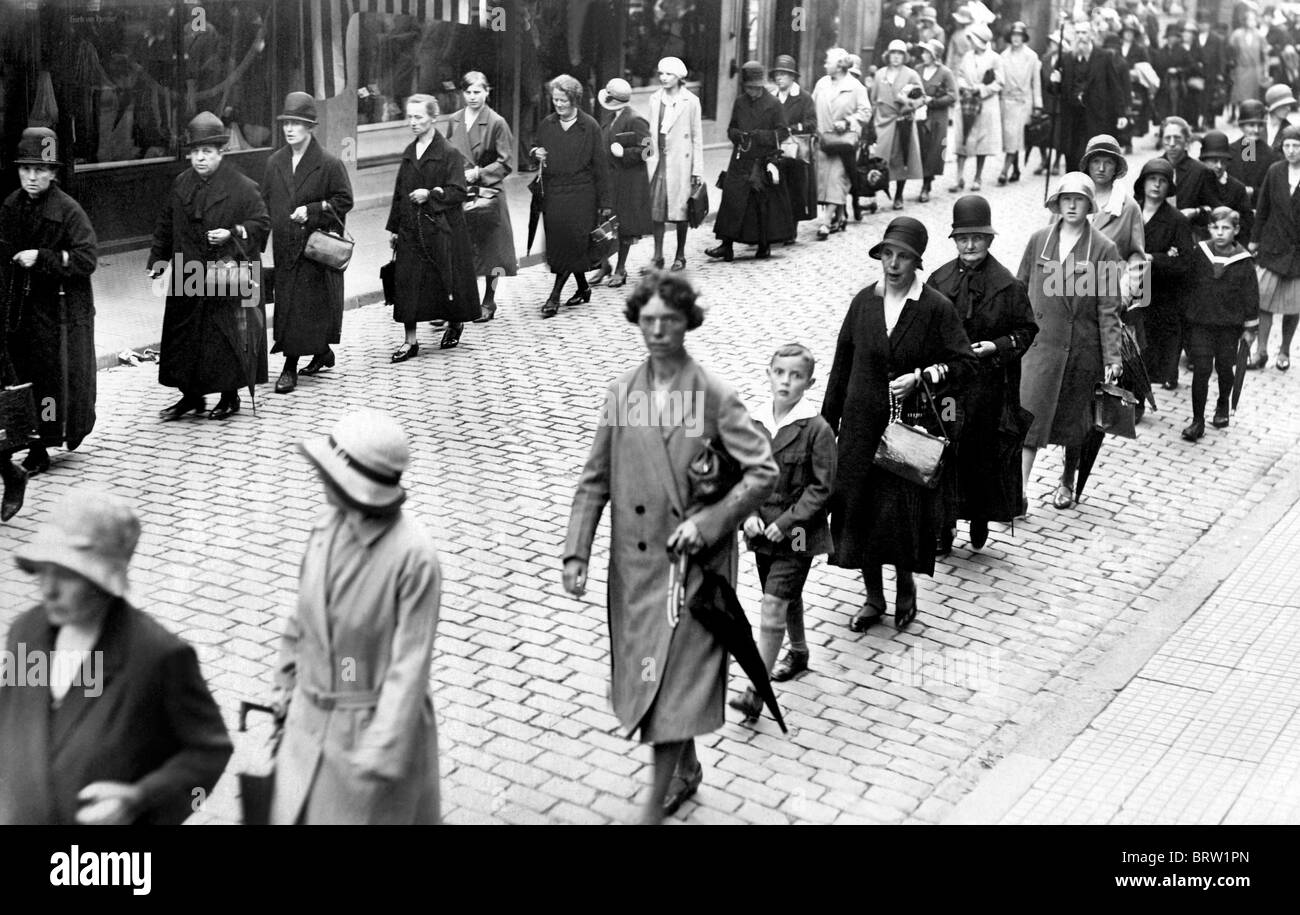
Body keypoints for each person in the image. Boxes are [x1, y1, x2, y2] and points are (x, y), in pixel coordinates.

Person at [562, 271, 777, 824]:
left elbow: (762, 472)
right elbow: (595, 478)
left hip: (692, 569)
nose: (658, 331)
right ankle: (688, 767)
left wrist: (710, 522)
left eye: (670, 321)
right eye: (649, 320)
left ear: (687, 323)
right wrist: (576, 551)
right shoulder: (623, 393)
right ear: (637, 320)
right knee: (654, 677)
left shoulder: (712, 394)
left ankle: (652, 808)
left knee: (673, 682)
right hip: (636, 570)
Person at [0, 489, 232, 824]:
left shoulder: (156, 657)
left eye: (67, 574)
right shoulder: (28, 632)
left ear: (103, 579)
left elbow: (209, 752)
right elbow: (15, 712)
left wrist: (140, 800)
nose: (48, 589)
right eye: (43, 570)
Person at [271, 410, 442, 824]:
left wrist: (381, 749)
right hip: (307, 728)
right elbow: (302, 618)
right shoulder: (325, 528)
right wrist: (286, 685)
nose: (320, 478)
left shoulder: (414, 557)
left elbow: (410, 664)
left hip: (368, 743)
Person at [821, 217, 975, 630]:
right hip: (860, 428)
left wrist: (923, 376)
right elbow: (841, 365)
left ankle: (906, 589)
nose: (892, 264)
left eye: (902, 256)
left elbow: (965, 364)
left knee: (899, 516)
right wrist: (826, 426)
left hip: (906, 432)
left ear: (916, 261)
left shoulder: (935, 308)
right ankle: (873, 598)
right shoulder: (864, 302)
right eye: (886, 254)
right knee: (859, 512)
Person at [929, 196, 1037, 552]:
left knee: (981, 455)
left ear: (989, 239)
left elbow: (1026, 330)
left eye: (977, 238)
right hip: (949, 388)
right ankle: (943, 525)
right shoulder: (939, 280)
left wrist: (996, 346)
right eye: (963, 238)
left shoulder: (1008, 286)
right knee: (945, 450)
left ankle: (979, 516)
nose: (970, 245)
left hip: (990, 388)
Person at [733, 343, 836, 713]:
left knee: (773, 604)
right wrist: (748, 514)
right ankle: (799, 651)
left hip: (799, 534)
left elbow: (822, 488)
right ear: (769, 375)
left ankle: (755, 692)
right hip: (761, 533)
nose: (786, 382)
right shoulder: (755, 424)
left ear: (809, 383)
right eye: (779, 373)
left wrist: (788, 522)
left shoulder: (817, 430)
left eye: (796, 376)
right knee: (783, 595)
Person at [149, 111, 270, 422]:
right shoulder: (181, 184)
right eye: (195, 152)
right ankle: (192, 397)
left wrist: (233, 232)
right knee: (185, 338)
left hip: (225, 273)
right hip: (188, 272)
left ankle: (230, 396)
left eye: (207, 151)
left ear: (221, 152)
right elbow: (166, 224)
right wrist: (158, 261)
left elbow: (261, 223)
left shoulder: (243, 186)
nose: (200, 158)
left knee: (224, 337)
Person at [1018, 172, 1123, 511]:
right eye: (1067, 199)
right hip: (1040, 346)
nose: (1073, 206)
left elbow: (1109, 307)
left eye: (1079, 200)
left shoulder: (1103, 249)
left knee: (1074, 424)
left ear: (1090, 205)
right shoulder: (1039, 240)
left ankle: (1067, 480)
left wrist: (1112, 357)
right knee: (1029, 420)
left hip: (1080, 349)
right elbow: (1020, 290)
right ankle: (1018, 493)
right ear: (1058, 204)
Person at [0, 127, 97, 486]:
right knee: (22, 377)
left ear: (53, 173)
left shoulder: (69, 211)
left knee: (51, 382)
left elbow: (87, 258)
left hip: (61, 315)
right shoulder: (10, 207)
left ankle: (43, 442)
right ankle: (26, 437)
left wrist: (41, 257)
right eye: (26, 169)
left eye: (40, 170)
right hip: (22, 311)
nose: (32, 177)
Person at [260, 92, 354, 395]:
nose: (289, 129)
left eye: (296, 123)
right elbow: (263, 204)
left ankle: (289, 367)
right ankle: (322, 351)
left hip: (313, 249)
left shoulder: (328, 163)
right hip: (285, 247)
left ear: (310, 127)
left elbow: (344, 200)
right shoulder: (275, 162)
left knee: (302, 307)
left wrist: (313, 210)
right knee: (290, 305)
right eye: (286, 123)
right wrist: (253, 243)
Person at [387, 94, 480, 356]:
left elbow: (459, 191)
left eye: (419, 117)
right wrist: (394, 228)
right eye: (410, 117)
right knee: (407, 282)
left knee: (446, 281)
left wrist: (430, 194)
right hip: (411, 229)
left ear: (433, 118)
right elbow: (399, 193)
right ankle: (410, 341)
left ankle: (455, 322)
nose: (413, 122)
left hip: (442, 229)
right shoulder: (409, 152)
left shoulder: (449, 153)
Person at [441, 70, 519, 323]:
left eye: (478, 91)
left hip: (487, 194)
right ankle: (455, 302)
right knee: (458, 249)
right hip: (460, 192)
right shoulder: (454, 120)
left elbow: (506, 162)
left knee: (491, 251)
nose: (473, 97)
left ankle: (489, 300)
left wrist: (479, 173)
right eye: (468, 92)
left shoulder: (496, 122)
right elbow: (446, 153)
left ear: (487, 92)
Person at [531, 75, 613, 317]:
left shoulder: (590, 126)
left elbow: (601, 166)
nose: (558, 104)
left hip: (582, 194)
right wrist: (536, 153)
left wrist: (605, 203)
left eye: (563, 100)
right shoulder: (547, 124)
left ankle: (554, 296)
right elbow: (535, 147)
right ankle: (583, 287)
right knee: (560, 243)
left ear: (574, 100)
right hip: (554, 193)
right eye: (555, 100)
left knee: (573, 242)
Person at [1181, 208, 1259, 441]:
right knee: (1201, 369)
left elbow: (1251, 296)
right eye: (1215, 227)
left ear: (1236, 230)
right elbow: (1188, 283)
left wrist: (1250, 329)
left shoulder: (1243, 261)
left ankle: (1223, 402)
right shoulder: (1200, 252)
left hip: (1229, 326)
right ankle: (1197, 420)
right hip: (1202, 322)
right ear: (1209, 229)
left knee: (1225, 367)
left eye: (1226, 228)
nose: (1220, 232)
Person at [708, 62, 795, 261]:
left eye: (755, 88)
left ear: (761, 85)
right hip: (740, 159)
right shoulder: (740, 102)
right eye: (749, 88)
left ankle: (764, 244)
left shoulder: (774, 104)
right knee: (731, 198)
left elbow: (783, 131)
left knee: (761, 204)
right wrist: (737, 135)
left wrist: (760, 136)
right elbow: (731, 128)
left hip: (762, 160)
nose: (752, 92)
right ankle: (726, 244)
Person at [1136, 157, 1195, 386]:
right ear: (1143, 183)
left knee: (1159, 339)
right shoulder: (1130, 212)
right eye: (1152, 179)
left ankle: (1164, 376)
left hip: (1162, 292)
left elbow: (1185, 262)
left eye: (1162, 181)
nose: (1157, 185)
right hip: (1131, 286)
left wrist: (1155, 258)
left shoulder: (1176, 220)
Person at [1247, 124, 1300, 370]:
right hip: (1273, 244)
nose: (1291, 150)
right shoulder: (1275, 170)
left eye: (1296, 146)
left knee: (1293, 303)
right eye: (1287, 145)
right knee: (1264, 299)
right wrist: (1254, 239)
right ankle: (1261, 351)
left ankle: (1285, 349)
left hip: (1297, 250)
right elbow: (1263, 208)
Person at [591, 78, 652, 288]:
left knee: (624, 227)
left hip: (628, 182)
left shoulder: (636, 120)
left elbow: (648, 150)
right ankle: (604, 265)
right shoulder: (609, 117)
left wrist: (625, 153)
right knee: (603, 224)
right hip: (609, 180)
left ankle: (620, 268)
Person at [646, 57, 705, 271]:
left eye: (668, 74)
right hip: (659, 161)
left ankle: (680, 255)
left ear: (679, 77)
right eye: (661, 73)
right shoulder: (655, 99)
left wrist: (697, 169)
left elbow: (697, 137)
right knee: (656, 211)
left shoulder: (691, 101)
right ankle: (657, 255)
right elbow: (649, 133)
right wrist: (646, 157)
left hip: (681, 162)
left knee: (681, 211)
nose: (663, 78)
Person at [1081, 134, 1147, 319]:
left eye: (1108, 162)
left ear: (1116, 167)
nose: (1101, 168)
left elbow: (1137, 258)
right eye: (1096, 161)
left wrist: (1123, 296)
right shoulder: (1071, 199)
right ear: (1088, 165)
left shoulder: (1128, 207)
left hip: (1108, 297)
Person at [810, 48, 871, 239]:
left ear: (839, 66)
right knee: (823, 181)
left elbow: (866, 112)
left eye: (828, 62)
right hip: (822, 139)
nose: (825, 65)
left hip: (843, 142)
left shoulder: (856, 87)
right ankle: (840, 215)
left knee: (837, 179)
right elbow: (811, 107)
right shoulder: (821, 84)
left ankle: (826, 222)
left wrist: (847, 122)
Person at [1056, 26, 1131, 179]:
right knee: (1072, 159)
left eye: (1084, 32)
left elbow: (1114, 86)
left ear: (1091, 35)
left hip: (1096, 117)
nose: (1081, 36)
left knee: (1092, 156)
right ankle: (1074, 187)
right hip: (1072, 119)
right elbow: (1057, 90)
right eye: (1077, 32)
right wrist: (1054, 82)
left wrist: (1121, 114)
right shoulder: (1066, 58)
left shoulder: (1104, 57)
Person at [870, 40, 925, 210]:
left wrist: (908, 102)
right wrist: (871, 122)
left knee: (902, 157)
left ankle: (899, 195)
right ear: (888, 55)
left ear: (905, 56)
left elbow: (921, 98)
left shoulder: (911, 74)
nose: (896, 57)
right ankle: (872, 196)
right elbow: (873, 99)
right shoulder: (880, 74)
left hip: (903, 121)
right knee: (877, 158)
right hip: (882, 121)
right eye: (893, 53)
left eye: (900, 53)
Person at [952, 22, 1004, 192]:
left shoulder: (995, 58)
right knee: (962, 138)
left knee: (982, 142)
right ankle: (959, 177)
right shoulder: (967, 56)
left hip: (985, 104)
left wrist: (981, 89)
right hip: (967, 102)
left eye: (972, 39)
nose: (970, 43)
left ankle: (977, 177)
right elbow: (960, 75)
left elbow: (1000, 82)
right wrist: (964, 86)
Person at [770, 55, 818, 224]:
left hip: (795, 154)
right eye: (777, 74)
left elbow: (812, 124)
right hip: (775, 150)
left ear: (792, 77)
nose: (779, 77)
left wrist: (792, 128)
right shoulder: (772, 97)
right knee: (775, 190)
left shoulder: (804, 98)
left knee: (794, 192)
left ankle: (791, 228)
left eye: (783, 74)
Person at [1160, 116, 1220, 240]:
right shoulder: (1153, 168)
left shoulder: (1201, 172)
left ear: (1187, 141)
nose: (1172, 144)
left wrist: (1196, 212)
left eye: (1177, 138)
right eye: (1167, 138)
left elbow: (1216, 210)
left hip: (1190, 236)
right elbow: (1139, 206)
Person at [998, 21, 1042, 186]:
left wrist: (1038, 104)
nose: (1016, 38)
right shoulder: (1003, 56)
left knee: (1015, 135)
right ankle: (1015, 168)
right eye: (1013, 35)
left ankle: (1004, 171)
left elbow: (1036, 82)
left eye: (1019, 35)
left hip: (1023, 101)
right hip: (1007, 101)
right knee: (1011, 138)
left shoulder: (1031, 56)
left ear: (1024, 38)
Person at [916, 39, 956, 202]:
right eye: (924, 52)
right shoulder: (918, 69)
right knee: (920, 147)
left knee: (933, 149)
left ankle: (926, 185)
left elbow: (953, 95)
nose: (923, 55)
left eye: (927, 52)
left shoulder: (945, 73)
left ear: (935, 55)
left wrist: (933, 101)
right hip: (919, 114)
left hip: (937, 117)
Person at [1199, 130, 1255, 239]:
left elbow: (1247, 222)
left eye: (1223, 161)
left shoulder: (1237, 188)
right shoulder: (1196, 184)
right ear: (1203, 161)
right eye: (1214, 161)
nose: (1219, 166)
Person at [1227, 100, 1276, 204]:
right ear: (1241, 126)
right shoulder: (1229, 151)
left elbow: (1273, 190)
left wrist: (1253, 191)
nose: (1256, 130)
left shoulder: (1271, 155)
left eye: (1260, 125)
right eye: (1251, 125)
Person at [1230, 7, 1269, 118]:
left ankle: (1251, 116)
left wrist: (1266, 71)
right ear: (1244, 20)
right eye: (1249, 19)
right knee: (1240, 94)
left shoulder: (1260, 35)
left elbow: (1265, 54)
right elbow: (1232, 51)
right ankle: (1240, 115)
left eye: (1254, 19)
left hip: (1255, 69)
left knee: (1253, 95)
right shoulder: (1237, 35)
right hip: (1241, 68)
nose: (1252, 22)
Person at [1263, 83, 1298, 154]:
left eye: (1289, 105)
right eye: (1284, 105)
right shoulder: (1257, 125)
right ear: (1273, 106)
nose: (1288, 108)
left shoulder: (1289, 131)